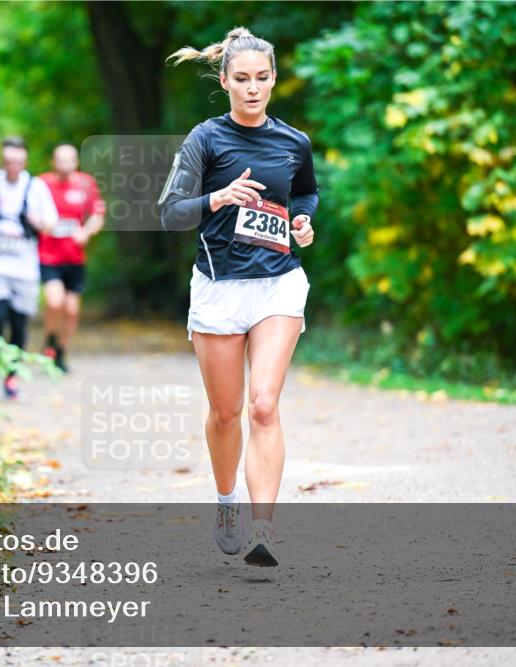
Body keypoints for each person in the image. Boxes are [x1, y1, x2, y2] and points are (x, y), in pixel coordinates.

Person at [159, 27, 318, 566]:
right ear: (224, 80)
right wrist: (217, 197)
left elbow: (307, 192)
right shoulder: (205, 139)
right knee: (226, 414)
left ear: (275, 79)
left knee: (264, 406)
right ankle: (226, 500)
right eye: (242, 79)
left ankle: (263, 529)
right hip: (219, 289)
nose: (253, 88)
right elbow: (170, 212)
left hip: (278, 283)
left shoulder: (294, 142)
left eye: (263, 78)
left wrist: (303, 220)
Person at [0, 137, 58, 399]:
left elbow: (51, 222)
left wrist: (40, 222)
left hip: (24, 265)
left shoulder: (35, 187)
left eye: (17, 162)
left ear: (24, 160)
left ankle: (11, 376)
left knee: (18, 322)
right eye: (8, 162)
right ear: (3, 161)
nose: (13, 167)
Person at [38, 144, 106, 372]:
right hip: (48, 255)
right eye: (61, 160)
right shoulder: (42, 184)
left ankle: (61, 350)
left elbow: (97, 215)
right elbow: (31, 212)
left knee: (72, 310)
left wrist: (85, 232)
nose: (65, 165)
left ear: (76, 162)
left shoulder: (85, 184)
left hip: (74, 257)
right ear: (53, 162)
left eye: (70, 160)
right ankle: (50, 338)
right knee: (54, 301)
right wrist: (42, 225)